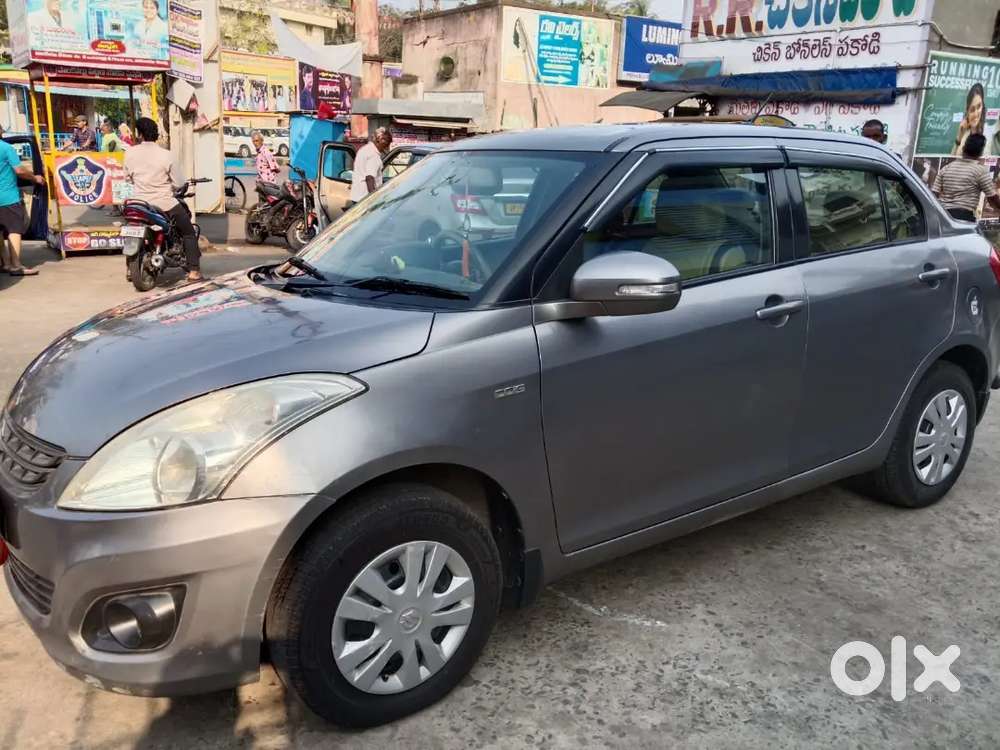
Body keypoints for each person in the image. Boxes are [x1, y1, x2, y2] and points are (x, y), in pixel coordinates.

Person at [124, 117, 202, 281]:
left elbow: (128, 178)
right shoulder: (166, 155)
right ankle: (194, 271)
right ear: (156, 134)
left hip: (139, 203)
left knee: (131, 227)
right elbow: (179, 183)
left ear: (139, 134)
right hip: (164, 203)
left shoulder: (130, 153)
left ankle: (130, 270)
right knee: (188, 232)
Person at [0, 133, 46, 276]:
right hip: (7, 197)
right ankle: (16, 265)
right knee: (14, 230)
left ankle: (5, 263)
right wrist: (35, 178)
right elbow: (19, 170)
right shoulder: (6, 148)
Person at [932, 134, 1000, 222]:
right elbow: (993, 199)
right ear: (981, 151)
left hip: (942, 217)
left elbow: (934, 195)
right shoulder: (980, 171)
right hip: (964, 218)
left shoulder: (946, 168)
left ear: (963, 148)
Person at [348, 127, 392, 206]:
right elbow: (370, 178)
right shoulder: (373, 154)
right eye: (387, 142)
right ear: (379, 140)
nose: (388, 146)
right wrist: (374, 200)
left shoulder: (365, 149)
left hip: (357, 196)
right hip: (365, 199)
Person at [952, 83, 985, 157]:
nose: (976, 114)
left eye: (979, 106)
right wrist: (959, 136)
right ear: (967, 111)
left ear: (983, 106)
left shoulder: (987, 134)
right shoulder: (964, 133)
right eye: (972, 109)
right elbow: (951, 160)